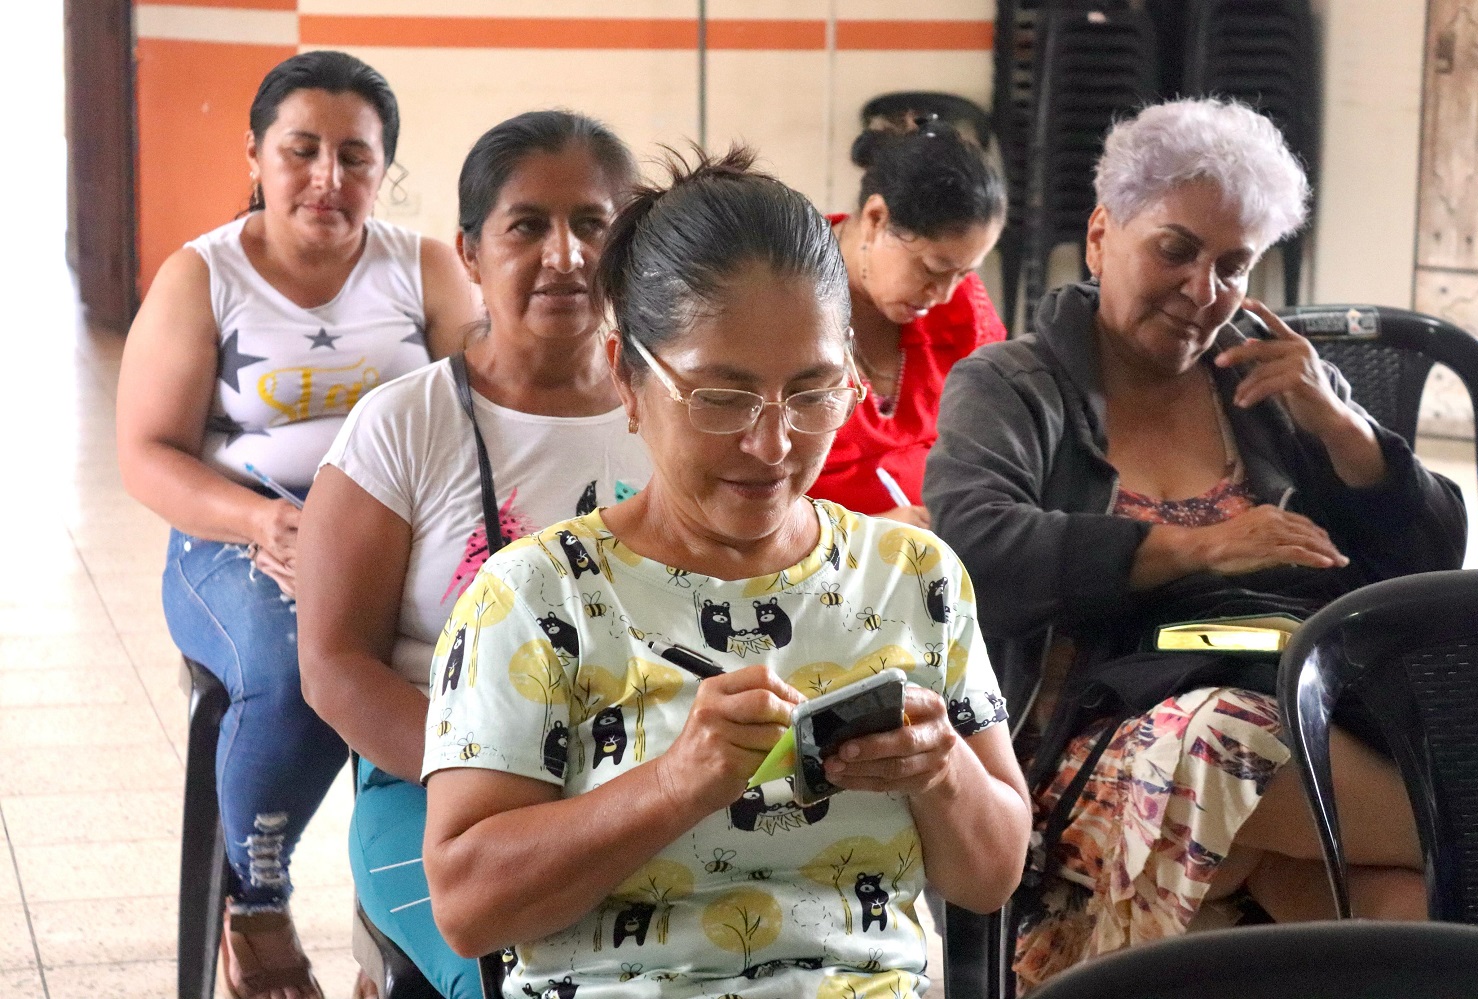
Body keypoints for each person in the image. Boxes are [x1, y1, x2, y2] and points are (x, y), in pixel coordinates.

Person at [418, 148, 1032, 998]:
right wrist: (675, 784)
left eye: (813, 393)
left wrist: (942, 770)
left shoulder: (912, 578)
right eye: (721, 398)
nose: (772, 444)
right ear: (627, 376)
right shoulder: (536, 598)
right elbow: (467, 908)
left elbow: (990, 877)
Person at [924, 98, 1468, 990]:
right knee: (1223, 743)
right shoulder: (1014, 385)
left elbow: (1432, 563)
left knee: (1401, 904)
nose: (1203, 290)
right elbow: (976, 552)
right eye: (1175, 249)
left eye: (1233, 266)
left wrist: (1340, 426)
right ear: (1100, 235)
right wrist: (1203, 547)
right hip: (1098, 735)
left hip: (1300, 703)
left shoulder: (1270, 378)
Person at [116, 50, 475, 999]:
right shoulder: (203, 276)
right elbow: (146, 452)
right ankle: (256, 900)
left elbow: (489, 402)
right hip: (236, 537)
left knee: (489, 662)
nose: (328, 177)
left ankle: (404, 923)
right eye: (301, 150)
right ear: (256, 155)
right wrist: (262, 521)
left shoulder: (424, 268)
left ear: (384, 167)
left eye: (355, 156)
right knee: (303, 667)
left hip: (398, 535)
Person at [296, 111, 649, 998]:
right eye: (527, 226)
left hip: (641, 776)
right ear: (470, 253)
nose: (566, 255)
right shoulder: (404, 424)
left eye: (593, 224)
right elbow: (334, 664)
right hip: (432, 788)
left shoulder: (674, 414)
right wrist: (499, 774)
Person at [811, 115, 1007, 526]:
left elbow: (996, 437)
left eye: (963, 273)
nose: (945, 294)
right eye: (932, 269)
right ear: (876, 218)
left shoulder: (963, 310)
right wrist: (866, 533)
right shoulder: (784, 300)